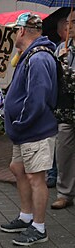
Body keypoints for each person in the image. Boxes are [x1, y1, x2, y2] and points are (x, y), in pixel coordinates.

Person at [0, 13, 59, 245]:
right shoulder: (30, 55)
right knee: (18, 168)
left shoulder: (38, 58)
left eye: (14, 29)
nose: (13, 33)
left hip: (34, 130)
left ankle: (39, 226)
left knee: (36, 177)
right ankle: (26, 216)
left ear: (22, 31)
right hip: (26, 130)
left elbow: (37, 97)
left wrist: (20, 123)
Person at [50, 12, 75, 210]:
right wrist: (59, 62)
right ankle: (64, 193)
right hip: (66, 109)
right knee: (64, 151)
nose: (70, 26)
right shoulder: (62, 48)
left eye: (73, 22)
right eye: (68, 22)